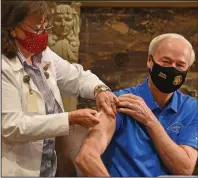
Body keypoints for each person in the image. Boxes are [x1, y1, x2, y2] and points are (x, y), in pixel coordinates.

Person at [1, 1, 118, 177]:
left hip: (48, 166)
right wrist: (69, 118)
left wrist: (100, 89)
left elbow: (77, 77)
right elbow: (12, 126)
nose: (42, 34)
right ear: (13, 28)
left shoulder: (43, 55)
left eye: (45, 28)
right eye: (36, 30)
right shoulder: (4, 67)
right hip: (16, 168)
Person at [75, 33, 198, 176]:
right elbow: (86, 157)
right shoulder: (119, 101)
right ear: (149, 61)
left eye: (180, 65)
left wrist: (150, 120)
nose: (172, 69)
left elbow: (184, 169)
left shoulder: (192, 109)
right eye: (166, 61)